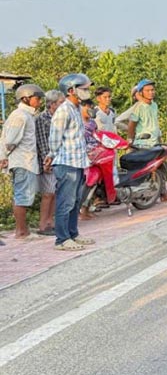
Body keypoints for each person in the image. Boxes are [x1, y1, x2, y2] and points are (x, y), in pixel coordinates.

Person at [45, 74, 96, 251]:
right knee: (65, 202)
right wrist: (51, 155)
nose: (87, 92)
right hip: (66, 163)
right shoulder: (63, 110)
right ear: (71, 90)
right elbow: (54, 138)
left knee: (75, 202)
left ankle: (73, 234)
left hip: (78, 162)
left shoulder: (77, 108)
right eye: (83, 88)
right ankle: (62, 239)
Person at [0, 83, 44, 239]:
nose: (39, 101)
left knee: (24, 196)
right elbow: (10, 140)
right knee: (22, 196)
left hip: (27, 161)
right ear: (26, 98)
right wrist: (3, 157)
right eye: (37, 98)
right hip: (22, 161)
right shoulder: (20, 116)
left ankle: (23, 230)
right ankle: (21, 232)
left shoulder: (27, 115)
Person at [127, 78, 167, 203]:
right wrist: (130, 140)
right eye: (148, 90)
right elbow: (131, 124)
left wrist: (159, 139)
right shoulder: (138, 107)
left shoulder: (154, 105)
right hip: (143, 143)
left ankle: (162, 193)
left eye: (152, 90)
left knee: (160, 167)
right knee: (146, 170)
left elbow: (155, 124)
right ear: (141, 92)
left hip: (154, 142)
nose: (151, 92)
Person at [34, 90, 64, 236]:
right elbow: (42, 142)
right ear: (52, 104)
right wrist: (48, 160)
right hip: (47, 160)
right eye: (60, 103)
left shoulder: (60, 117)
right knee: (48, 193)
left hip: (59, 159)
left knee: (55, 192)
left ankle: (50, 221)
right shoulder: (42, 119)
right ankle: (42, 224)